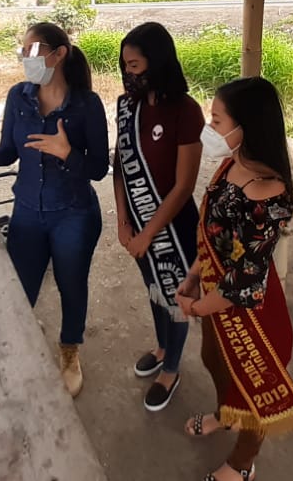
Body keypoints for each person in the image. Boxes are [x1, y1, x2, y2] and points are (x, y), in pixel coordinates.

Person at [0, 22, 109, 396]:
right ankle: (16, 344)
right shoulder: (18, 97)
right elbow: (7, 152)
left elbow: (99, 168)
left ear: (59, 54)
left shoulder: (86, 105)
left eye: (32, 50)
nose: (24, 58)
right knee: (19, 289)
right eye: (23, 50)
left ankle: (69, 350)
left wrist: (67, 153)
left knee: (71, 285)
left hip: (74, 213)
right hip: (28, 213)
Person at [175, 77, 293, 481]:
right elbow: (215, 235)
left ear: (245, 126)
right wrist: (194, 275)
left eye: (216, 120)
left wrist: (197, 307)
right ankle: (225, 414)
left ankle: (242, 464)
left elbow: (244, 281)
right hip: (213, 291)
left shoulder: (268, 192)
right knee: (213, 358)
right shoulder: (231, 164)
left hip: (250, 311)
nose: (209, 128)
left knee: (253, 391)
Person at [113, 22, 202, 411]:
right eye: (125, 66)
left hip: (173, 225)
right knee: (154, 288)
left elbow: (184, 186)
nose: (128, 74)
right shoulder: (127, 107)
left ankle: (172, 368)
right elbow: (120, 166)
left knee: (175, 294)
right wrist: (123, 222)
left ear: (158, 62)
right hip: (137, 221)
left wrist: (149, 233)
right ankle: (163, 346)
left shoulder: (186, 110)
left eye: (134, 66)